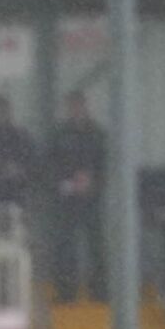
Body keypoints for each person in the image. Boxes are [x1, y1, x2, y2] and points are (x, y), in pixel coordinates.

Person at [50, 90, 108, 303]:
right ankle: (66, 292)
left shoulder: (97, 133)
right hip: (67, 198)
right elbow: (51, 165)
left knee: (96, 245)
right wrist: (67, 182)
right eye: (72, 106)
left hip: (91, 198)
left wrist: (92, 181)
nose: (76, 110)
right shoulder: (59, 135)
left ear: (85, 107)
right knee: (65, 246)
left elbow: (105, 164)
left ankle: (100, 292)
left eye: (79, 105)